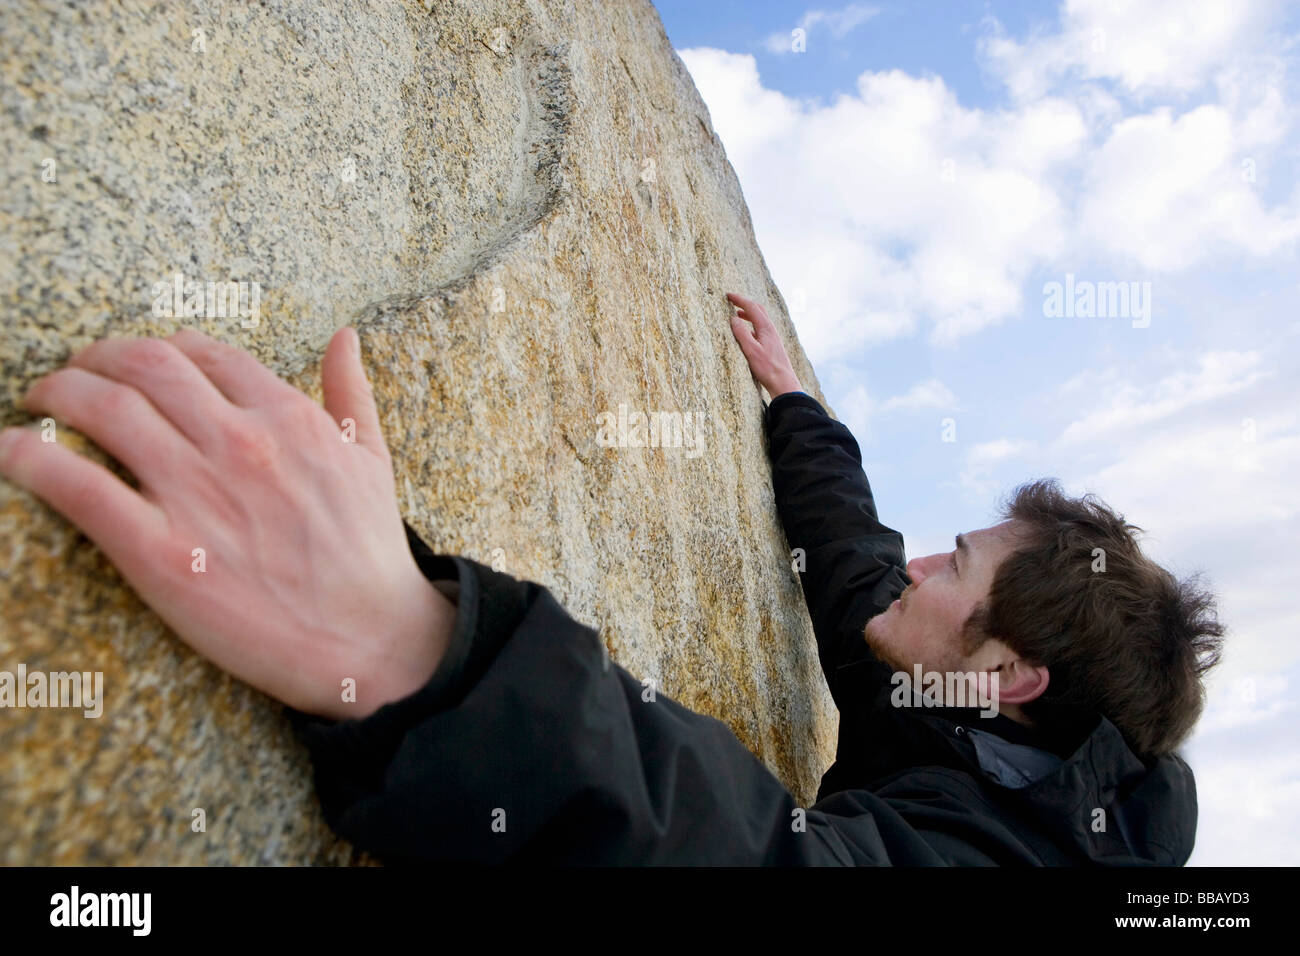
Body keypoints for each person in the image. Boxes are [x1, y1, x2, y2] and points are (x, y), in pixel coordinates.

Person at [0, 291, 1224, 864]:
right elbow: (853, 557)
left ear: (1009, 675)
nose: (916, 564)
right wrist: (794, 399)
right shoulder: (955, 682)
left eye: (953, 565)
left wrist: (419, 647)